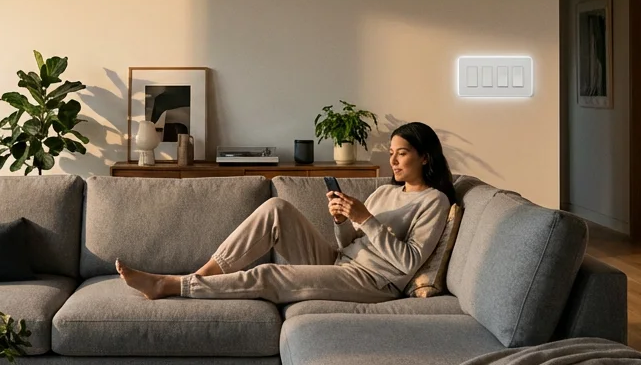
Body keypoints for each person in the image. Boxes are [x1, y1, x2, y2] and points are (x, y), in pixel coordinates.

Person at [116, 121, 455, 304]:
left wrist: (366, 218)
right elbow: (349, 241)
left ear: (425, 157)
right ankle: (202, 273)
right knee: (276, 208)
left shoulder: (434, 202)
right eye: (392, 153)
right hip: (340, 260)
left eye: (403, 153)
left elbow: (408, 262)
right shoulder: (385, 191)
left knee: (269, 276)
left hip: (374, 281)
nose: (393, 160)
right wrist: (342, 221)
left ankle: (170, 285)